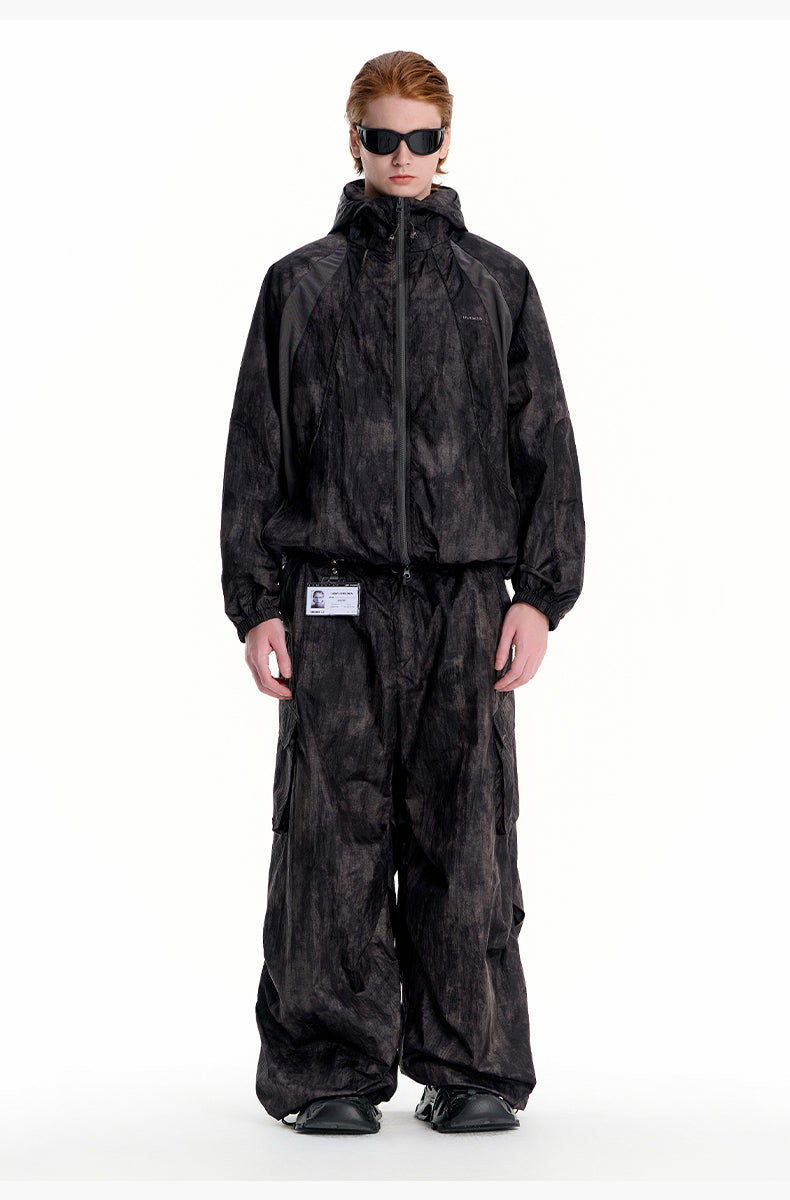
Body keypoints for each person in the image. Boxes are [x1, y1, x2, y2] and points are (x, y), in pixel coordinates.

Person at [220, 49, 585, 1136]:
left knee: (465, 835)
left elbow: (545, 448)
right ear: (354, 141)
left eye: (421, 139)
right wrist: (258, 602)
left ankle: (469, 1067)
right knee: (329, 836)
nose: (402, 157)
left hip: (466, 603)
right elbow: (257, 450)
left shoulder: (497, 283)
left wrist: (539, 594)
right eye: (382, 137)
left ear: (446, 141)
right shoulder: (300, 286)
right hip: (332, 598)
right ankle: (327, 1069)